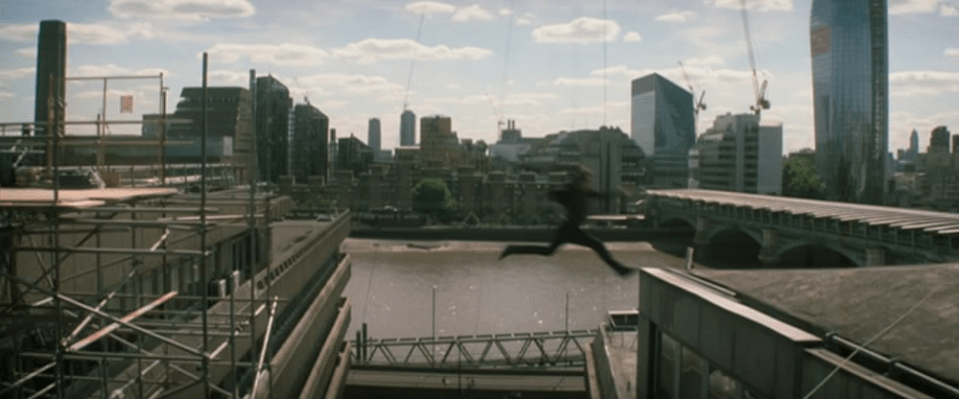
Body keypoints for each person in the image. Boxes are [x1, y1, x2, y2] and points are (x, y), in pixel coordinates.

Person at [498, 165, 635, 276]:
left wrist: (618, 193)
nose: (589, 182)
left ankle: (512, 249)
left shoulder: (583, 192)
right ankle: (621, 270)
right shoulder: (572, 191)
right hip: (570, 229)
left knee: (548, 251)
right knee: (597, 245)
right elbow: (554, 193)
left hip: (567, 229)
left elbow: (602, 195)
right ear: (581, 181)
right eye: (587, 180)